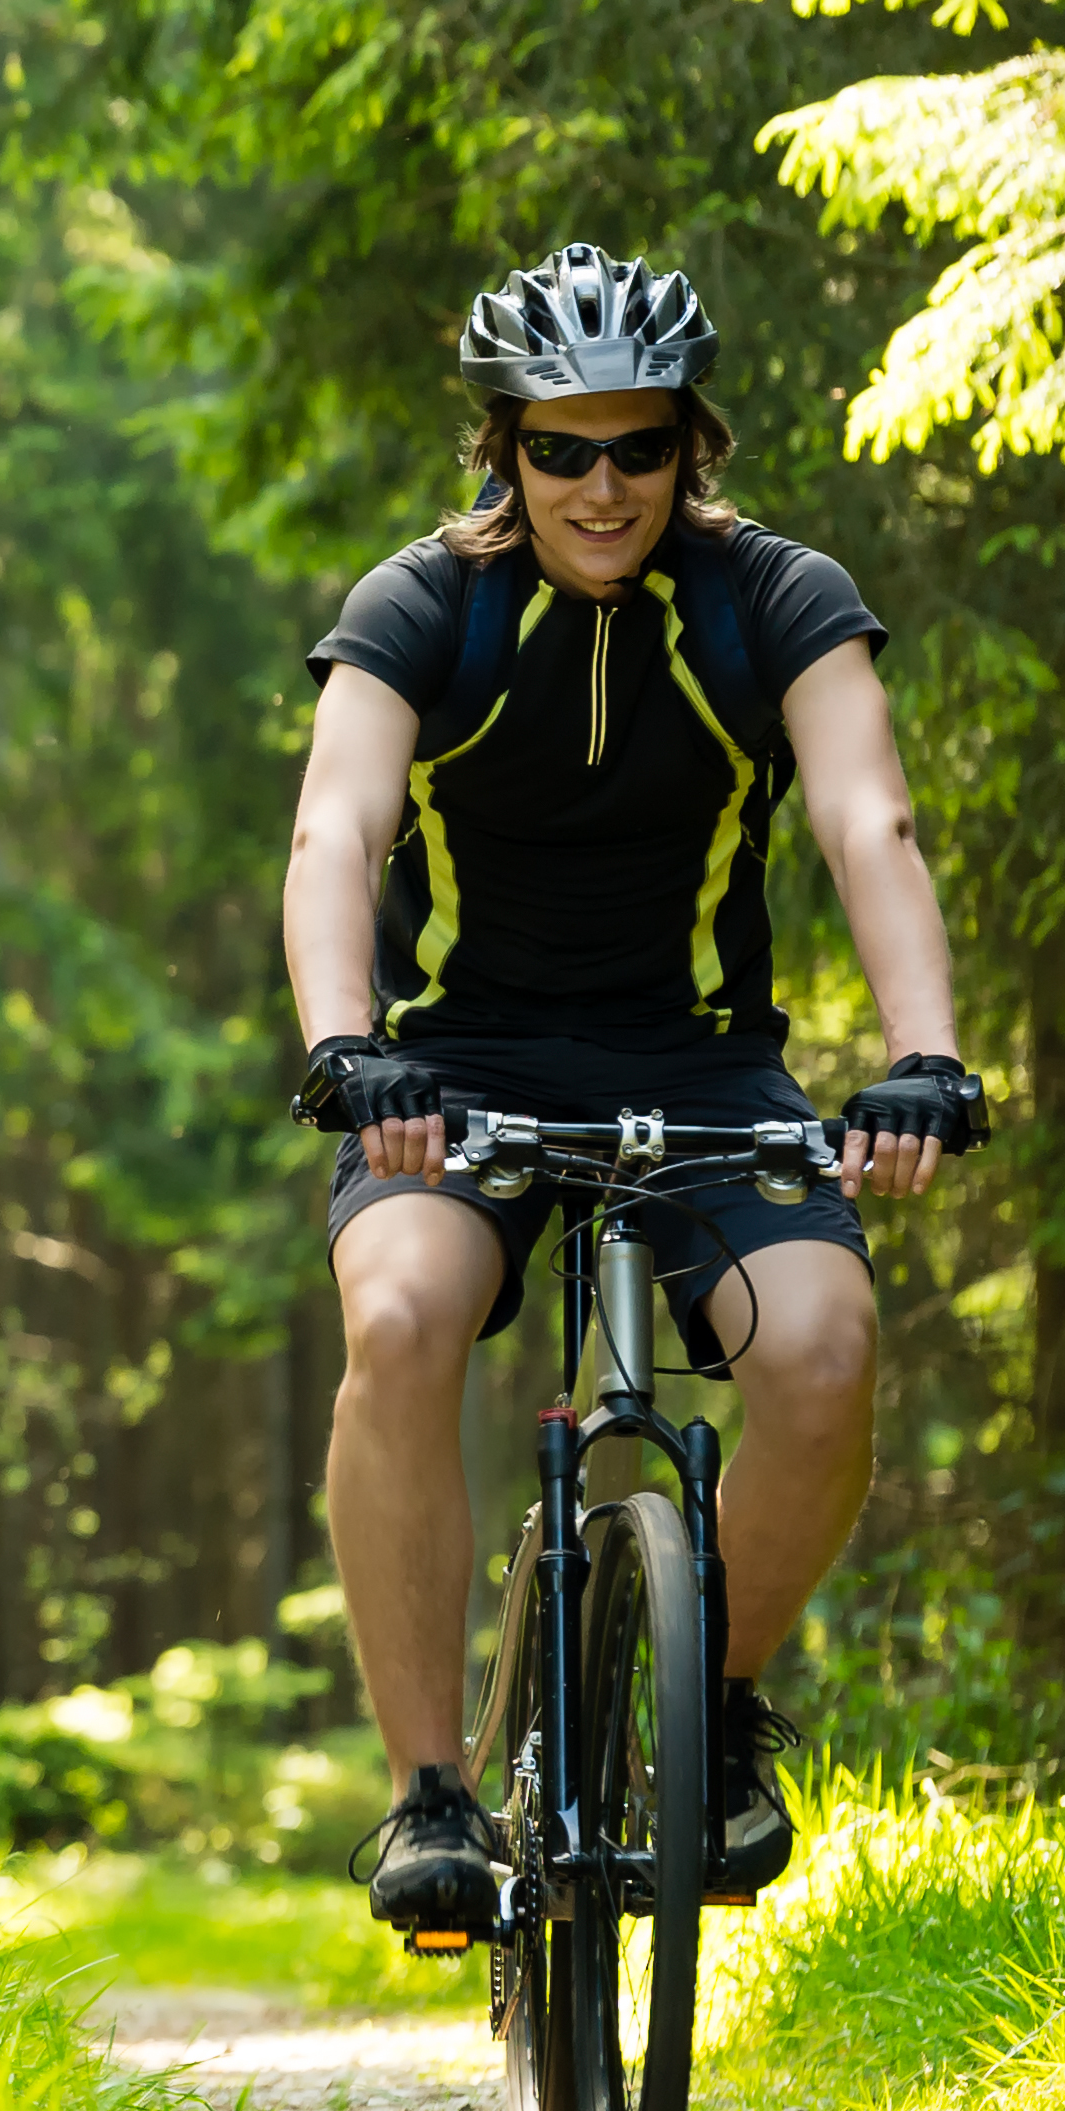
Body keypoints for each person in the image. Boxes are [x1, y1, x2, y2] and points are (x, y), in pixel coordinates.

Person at [284, 244, 990, 1936]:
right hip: (447, 1065)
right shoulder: (421, 607)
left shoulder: (776, 599)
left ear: (694, 446)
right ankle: (431, 1794)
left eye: (641, 447)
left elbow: (864, 818)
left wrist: (923, 1055)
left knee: (821, 1350)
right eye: (561, 449)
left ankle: (712, 1704)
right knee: (396, 1324)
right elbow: (336, 829)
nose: (603, 488)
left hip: (706, 1065)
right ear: (501, 448)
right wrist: (343, 1036)